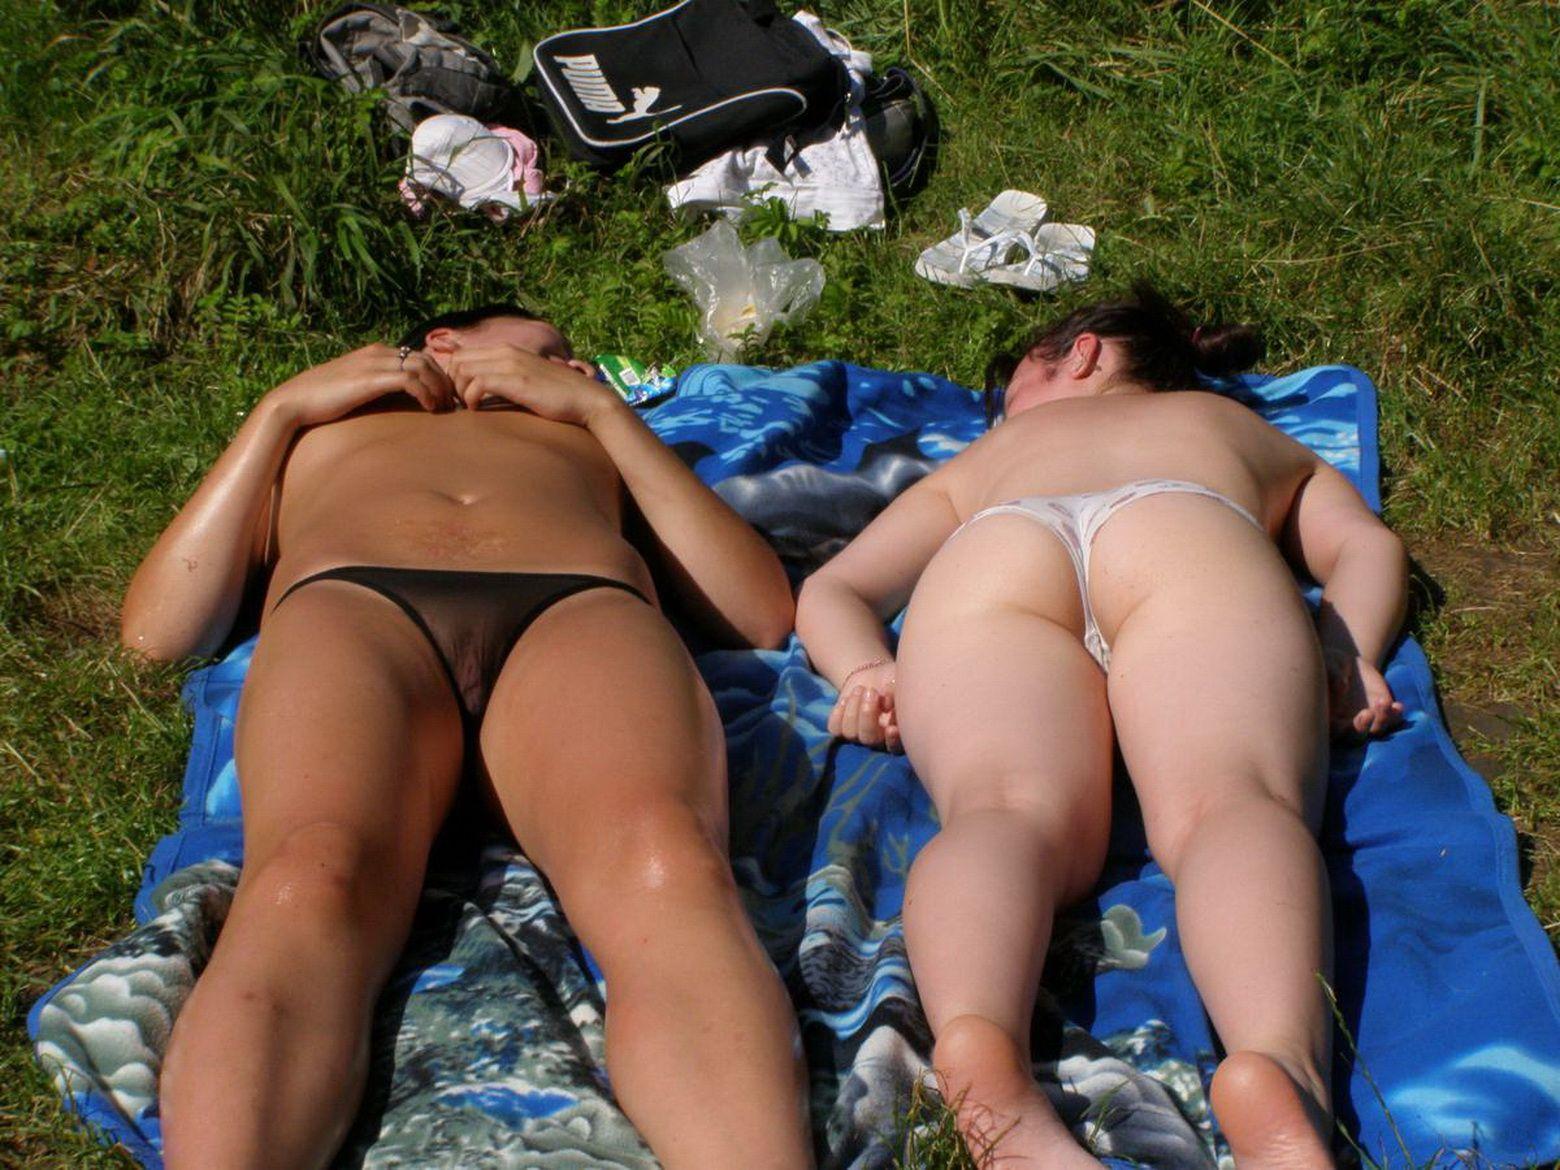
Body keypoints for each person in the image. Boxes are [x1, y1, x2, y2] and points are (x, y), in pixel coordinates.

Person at [120, 306, 813, 1170]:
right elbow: (158, 634)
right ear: (445, 343)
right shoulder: (327, 419)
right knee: (308, 875)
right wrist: (280, 410)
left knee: (668, 861)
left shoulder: (591, 425)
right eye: (552, 349)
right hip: (358, 602)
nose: (577, 365)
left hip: (574, 605)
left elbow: (758, 613)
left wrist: (601, 413)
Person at [793, 284, 1407, 1170]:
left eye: (1012, 384)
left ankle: (980, 1043)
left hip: (1000, 549)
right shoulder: (1231, 428)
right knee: (1232, 800)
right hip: (1183, 529)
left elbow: (833, 589)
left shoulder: (991, 455)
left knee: (1002, 810)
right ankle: (1278, 1070)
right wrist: (1346, 648)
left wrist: (864, 669)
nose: (1000, 408)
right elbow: (1365, 546)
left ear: (1081, 353)